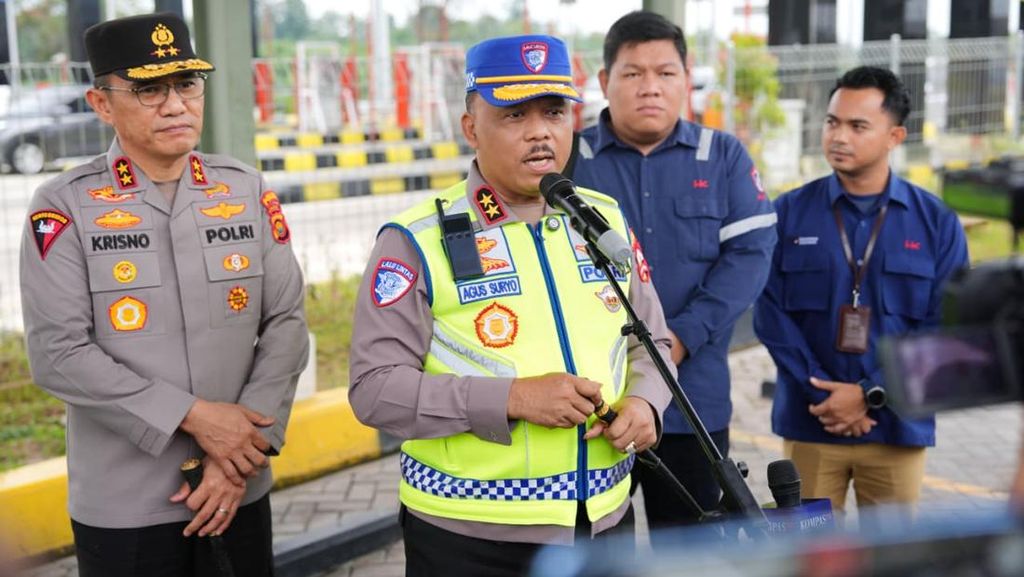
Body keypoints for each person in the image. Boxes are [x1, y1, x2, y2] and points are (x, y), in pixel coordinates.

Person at [349, 34, 674, 576]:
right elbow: (375, 390)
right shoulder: (416, 239)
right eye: (514, 114)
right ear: (471, 127)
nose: (540, 131)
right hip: (470, 535)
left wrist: (645, 407)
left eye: (554, 111)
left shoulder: (602, 220)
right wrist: (511, 399)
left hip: (604, 521)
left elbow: (652, 343)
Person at [19, 13, 309, 576]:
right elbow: (59, 354)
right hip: (127, 507)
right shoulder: (65, 205)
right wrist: (199, 418)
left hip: (240, 487)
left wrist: (241, 452)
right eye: (148, 89)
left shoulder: (243, 189)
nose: (175, 104)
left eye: (186, 84)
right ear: (102, 103)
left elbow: (287, 324)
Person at [571, 11, 777, 536]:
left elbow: (750, 256)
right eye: (632, 73)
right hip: (589, 407)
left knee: (691, 549)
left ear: (687, 79)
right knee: (592, 549)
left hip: (692, 407)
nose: (650, 88)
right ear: (604, 82)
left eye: (665, 73)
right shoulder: (571, 164)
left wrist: (678, 339)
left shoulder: (722, 157)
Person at [754, 66, 969, 517]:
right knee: (809, 560)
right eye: (832, 122)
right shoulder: (788, 213)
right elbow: (769, 313)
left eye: (857, 126)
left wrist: (870, 392)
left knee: (890, 561)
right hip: (811, 424)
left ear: (895, 136)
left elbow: (947, 324)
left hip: (896, 428)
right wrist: (824, 397)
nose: (838, 136)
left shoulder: (935, 223)